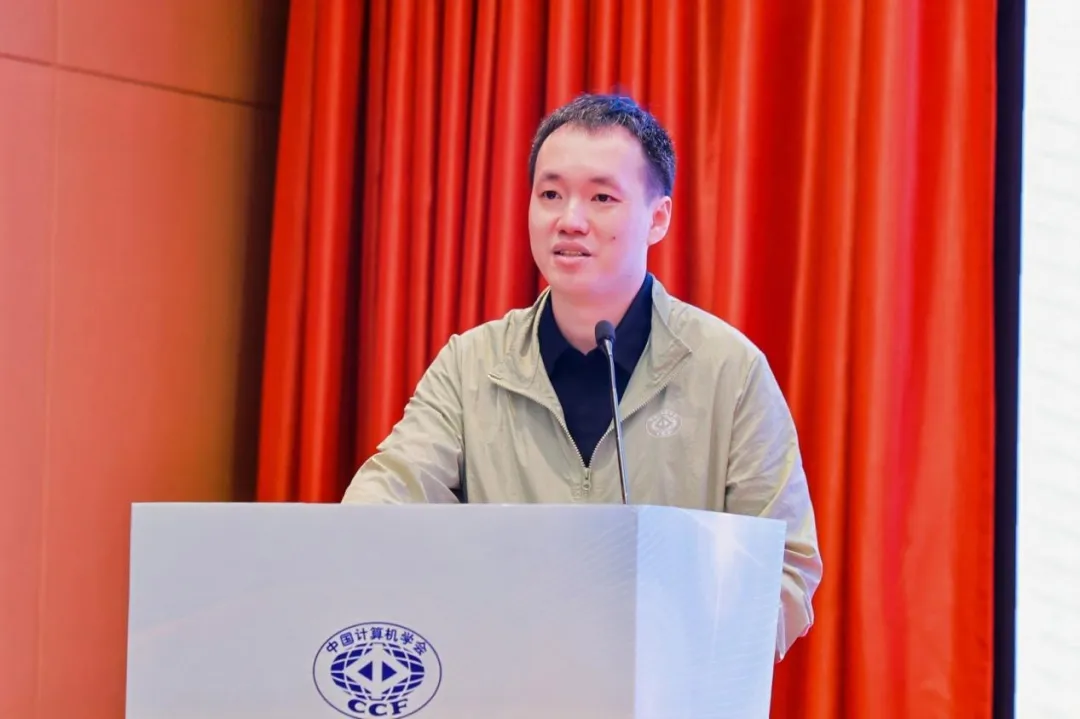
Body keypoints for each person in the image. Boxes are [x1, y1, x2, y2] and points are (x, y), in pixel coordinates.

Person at [341, 93, 822, 660]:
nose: (569, 220)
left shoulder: (729, 371)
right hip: (505, 682)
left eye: (601, 197)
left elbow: (785, 568)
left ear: (658, 218)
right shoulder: (470, 365)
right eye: (550, 194)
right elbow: (379, 509)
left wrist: (677, 658)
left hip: (666, 688)